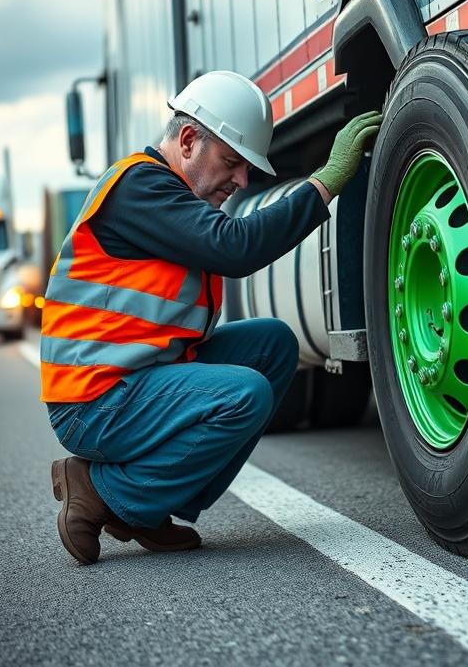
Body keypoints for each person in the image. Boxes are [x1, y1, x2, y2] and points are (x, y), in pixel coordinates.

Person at [41, 69, 381, 565]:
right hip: (95, 399)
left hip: (138, 378)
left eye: (246, 168)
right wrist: (325, 183)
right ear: (186, 141)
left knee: (273, 345)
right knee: (245, 394)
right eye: (231, 162)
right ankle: (101, 490)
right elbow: (234, 247)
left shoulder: (170, 196)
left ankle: (149, 509)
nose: (242, 180)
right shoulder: (140, 187)